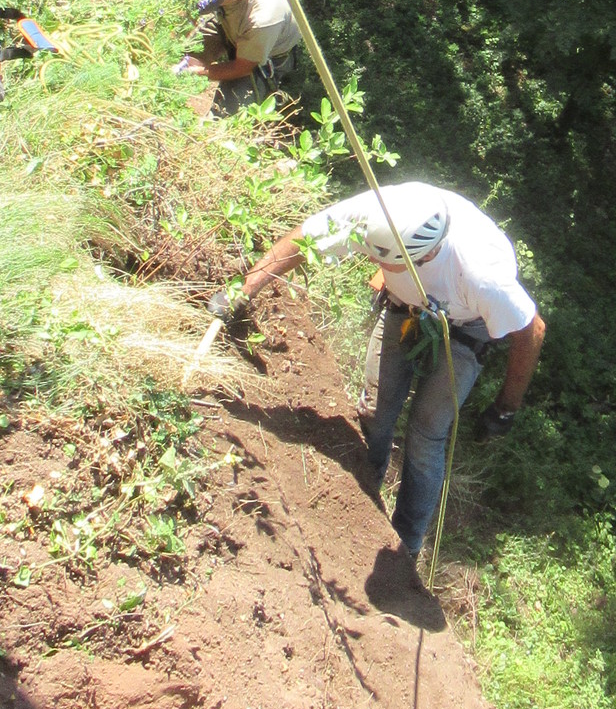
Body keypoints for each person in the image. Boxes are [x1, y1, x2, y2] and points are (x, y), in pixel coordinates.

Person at [219, 183, 546, 568]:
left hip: (465, 324)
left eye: (389, 263)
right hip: (405, 304)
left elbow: (532, 331)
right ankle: (363, 497)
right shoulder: (375, 213)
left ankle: (405, 546)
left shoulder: (482, 276)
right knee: (375, 410)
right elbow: (304, 238)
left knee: (426, 433)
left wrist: (506, 406)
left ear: (426, 256)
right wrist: (243, 292)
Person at [178, 0, 299, 116]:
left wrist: (201, 72)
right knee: (180, 53)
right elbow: (188, 10)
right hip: (227, 20)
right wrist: (179, 48)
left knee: (229, 114)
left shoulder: (264, 17)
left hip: (265, 51)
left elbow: (242, 66)